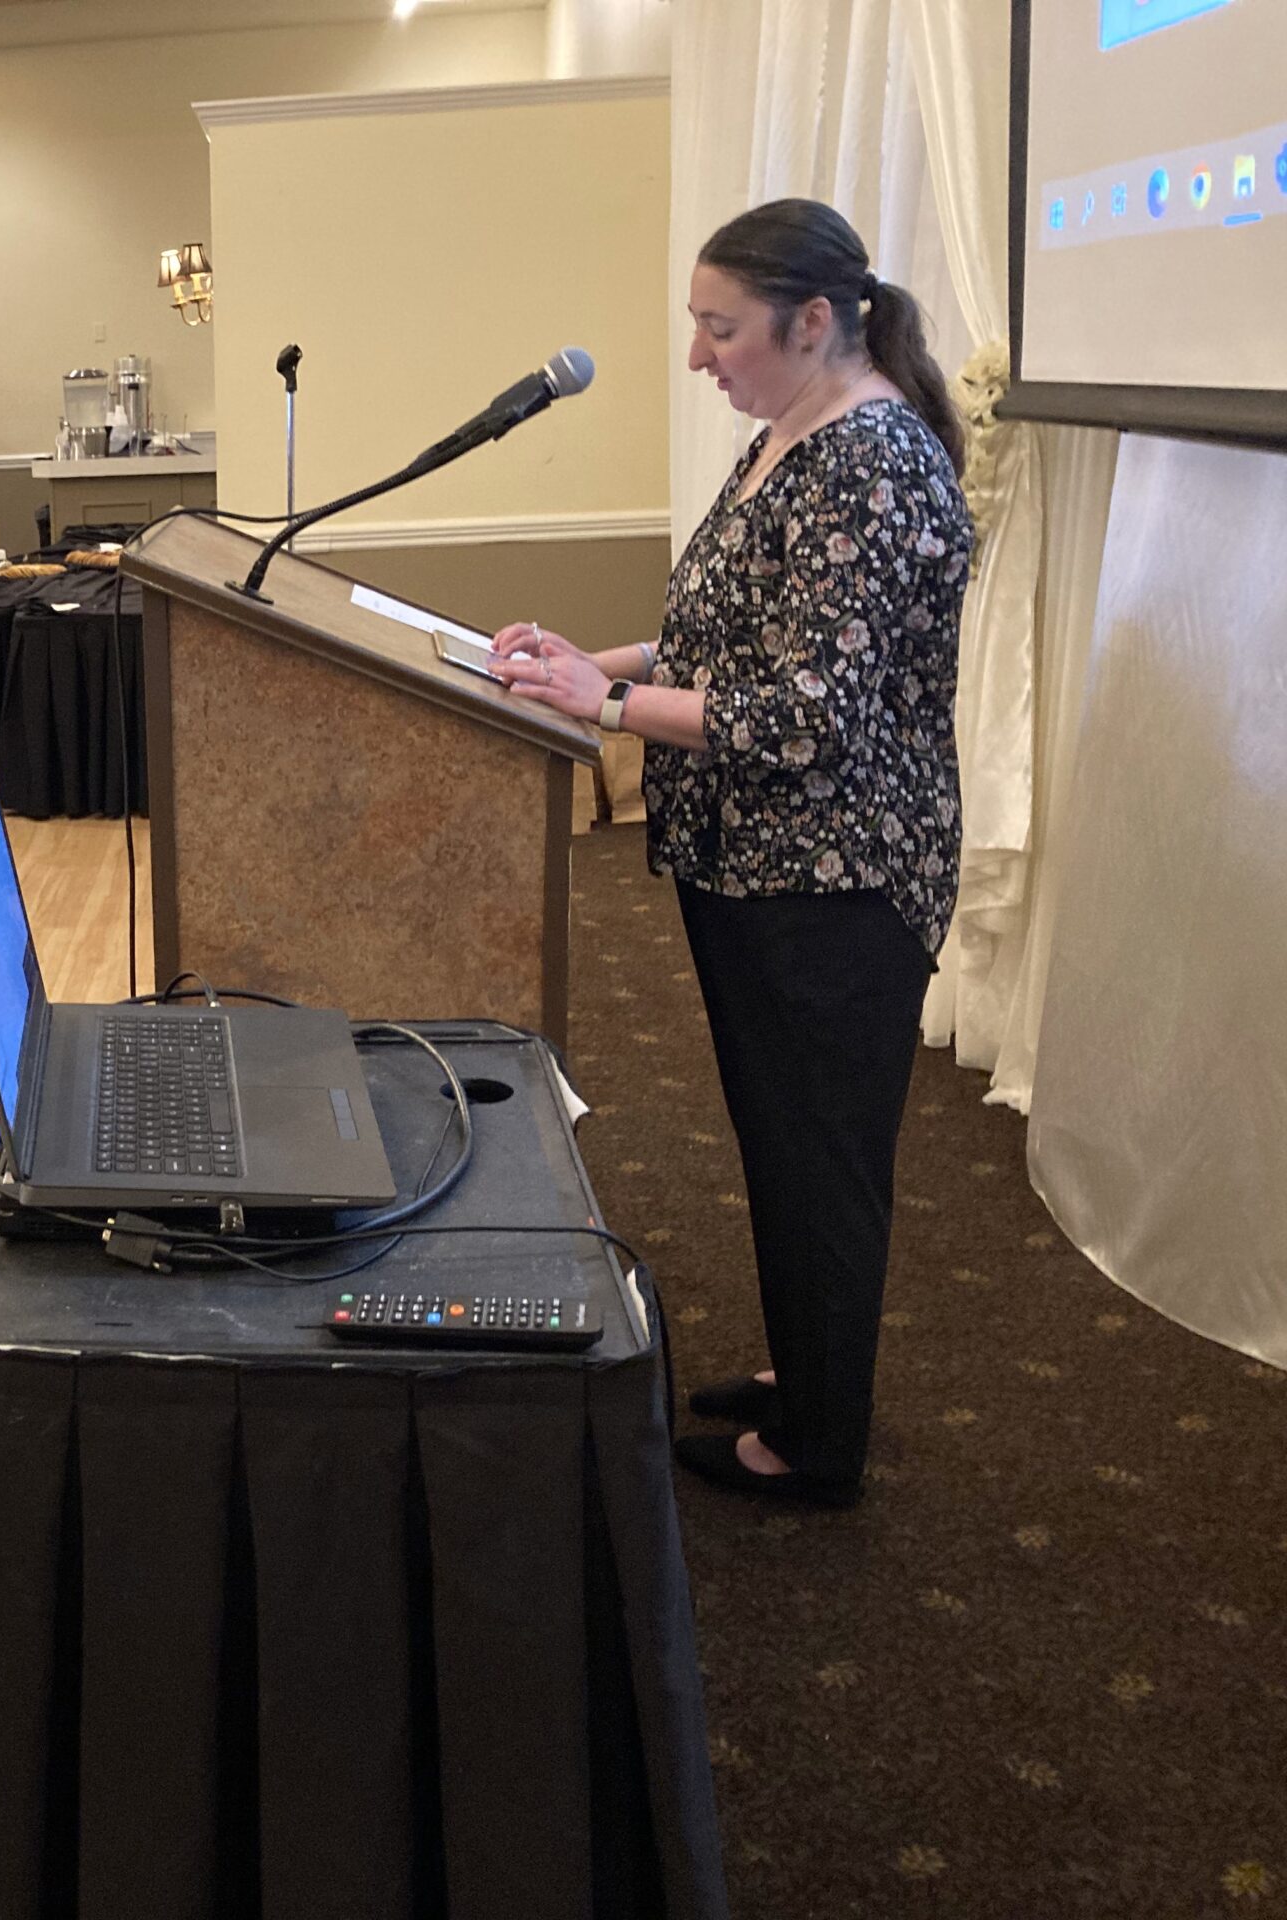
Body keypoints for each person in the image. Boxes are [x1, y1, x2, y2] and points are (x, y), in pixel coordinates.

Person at [489, 197, 971, 1509]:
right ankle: (805, 1373)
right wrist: (599, 664)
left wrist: (596, 706)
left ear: (813, 323)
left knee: (822, 1160)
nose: (699, 356)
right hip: (755, 866)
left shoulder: (871, 461)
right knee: (781, 1141)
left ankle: (820, 1448)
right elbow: (718, 644)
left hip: (837, 882)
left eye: (721, 329)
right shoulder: (789, 432)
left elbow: (805, 719)